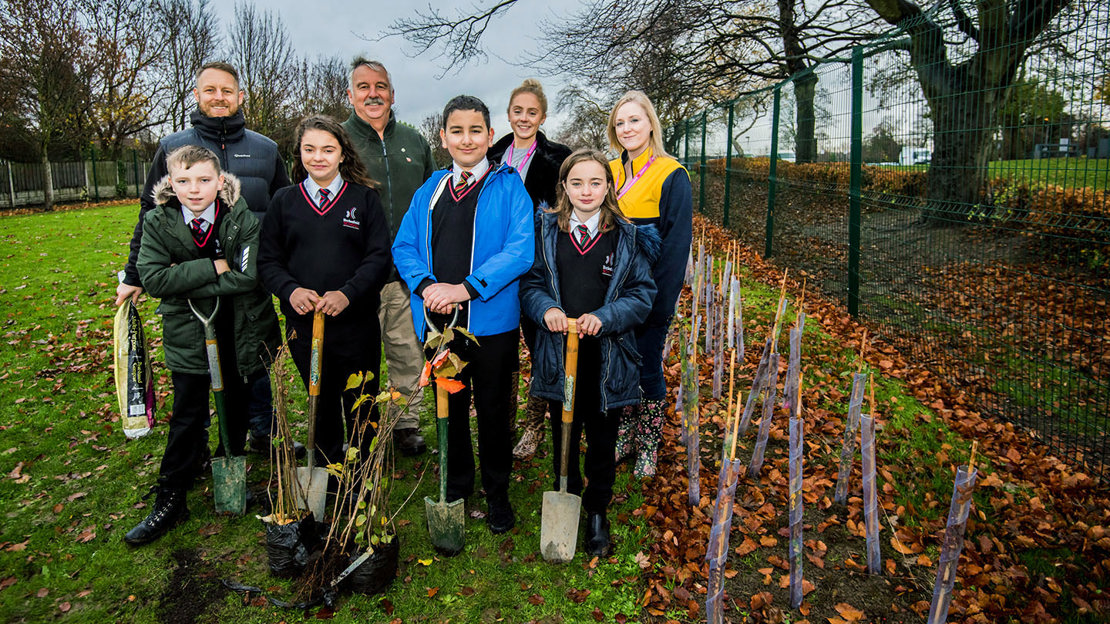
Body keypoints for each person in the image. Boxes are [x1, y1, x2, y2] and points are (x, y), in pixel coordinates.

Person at [115, 61, 294, 457]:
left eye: (227, 91)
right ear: (196, 95)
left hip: (250, 278)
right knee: (200, 367)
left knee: (254, 361)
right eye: (209, 90)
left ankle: (263, 433)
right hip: (193, 286)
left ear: (240, 97)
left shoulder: (265, 149)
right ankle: (198, 447)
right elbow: (150, 212)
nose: (219, 97)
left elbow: (286, 210)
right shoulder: (172, 148)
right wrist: (134, 273)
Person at [392, 95, 534, 534]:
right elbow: (404, 247)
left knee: (493, 410)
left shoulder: (510, 186)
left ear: (490, 137)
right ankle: (456, 484)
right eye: (457, 131)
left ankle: (497, 492)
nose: (466, 138)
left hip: (491, 324)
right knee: (447, 407)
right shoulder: (429, 190)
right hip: (439, 328)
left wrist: (465, 289)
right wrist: (427, 286)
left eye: (476, 130)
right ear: (443, 137)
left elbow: (519, 250)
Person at [125, 145, 280, 545]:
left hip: (239, 326)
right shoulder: (159, 222)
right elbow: (155, 280)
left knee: (236, 404)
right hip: (189, 332)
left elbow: (247, 277)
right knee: (188, 413)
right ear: (171, 184)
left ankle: (226, 467)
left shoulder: (240, 217)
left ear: (220, 181)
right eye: (184, 181)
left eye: (204, 180)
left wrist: (185, 276)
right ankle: (170, 496)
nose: (195, 190)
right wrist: (213, 265)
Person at [519, 149, 657, 556]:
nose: (586, 190)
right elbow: (530, 285)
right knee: (564, 426)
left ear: (608, 187)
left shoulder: (626, 237)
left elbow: (642, 294)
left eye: (596, 182)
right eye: (576, 182)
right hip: (560, 354)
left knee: (601, 435)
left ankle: (597, 509)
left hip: (607, 359)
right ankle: (567, 491)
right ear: (563, 186)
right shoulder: (545, 230)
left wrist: (606, 315)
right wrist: (547, 309)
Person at [259, 115, 392, 466]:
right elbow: (268, 261)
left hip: (356, 327)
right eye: (310, 149)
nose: (318, 157)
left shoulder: (364, 200)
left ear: (342, 154)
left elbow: (378, 258)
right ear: (299, 152)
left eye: (328, 149)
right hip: (306, 329)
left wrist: (347, 293)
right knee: (321, 400)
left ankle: (363, 474)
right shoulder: (284, 202)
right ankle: (329, 472)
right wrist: (290, 291)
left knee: (362, 403)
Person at [341, 57, 436, 457]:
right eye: (363, 87)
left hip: (405, 272)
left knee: (405, 349)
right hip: (355, 272)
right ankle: (360, 426)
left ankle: (405, 424)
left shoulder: (414, 141)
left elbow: (434, 198)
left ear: (392, 94)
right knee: (356, 354)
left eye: (380, 86)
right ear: (350, 94)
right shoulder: (338, 140)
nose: (373, 93)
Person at [607, 90, 693, 478]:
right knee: (617, 366)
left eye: (634, 120)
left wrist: (658, 301)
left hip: (648, 292)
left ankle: (649, 442)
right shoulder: (607, 171)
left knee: (646, 367)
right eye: (620, 123)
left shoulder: (671, 173)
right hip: (609, 292)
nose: (627, 129)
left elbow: (676, 246)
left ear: (651, 124)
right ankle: (624, 433)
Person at [488, 78, 572, 460]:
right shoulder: (491, 155)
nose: (524, 118)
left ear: (542, 116)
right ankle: (500, 426)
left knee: (542, 348)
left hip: (540, 267)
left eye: (532, 112)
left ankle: (536, 424)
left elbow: (568, 212)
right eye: (517, 111)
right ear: (508, 114)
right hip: (495, 266)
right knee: (502, 350)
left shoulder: (557, 159)